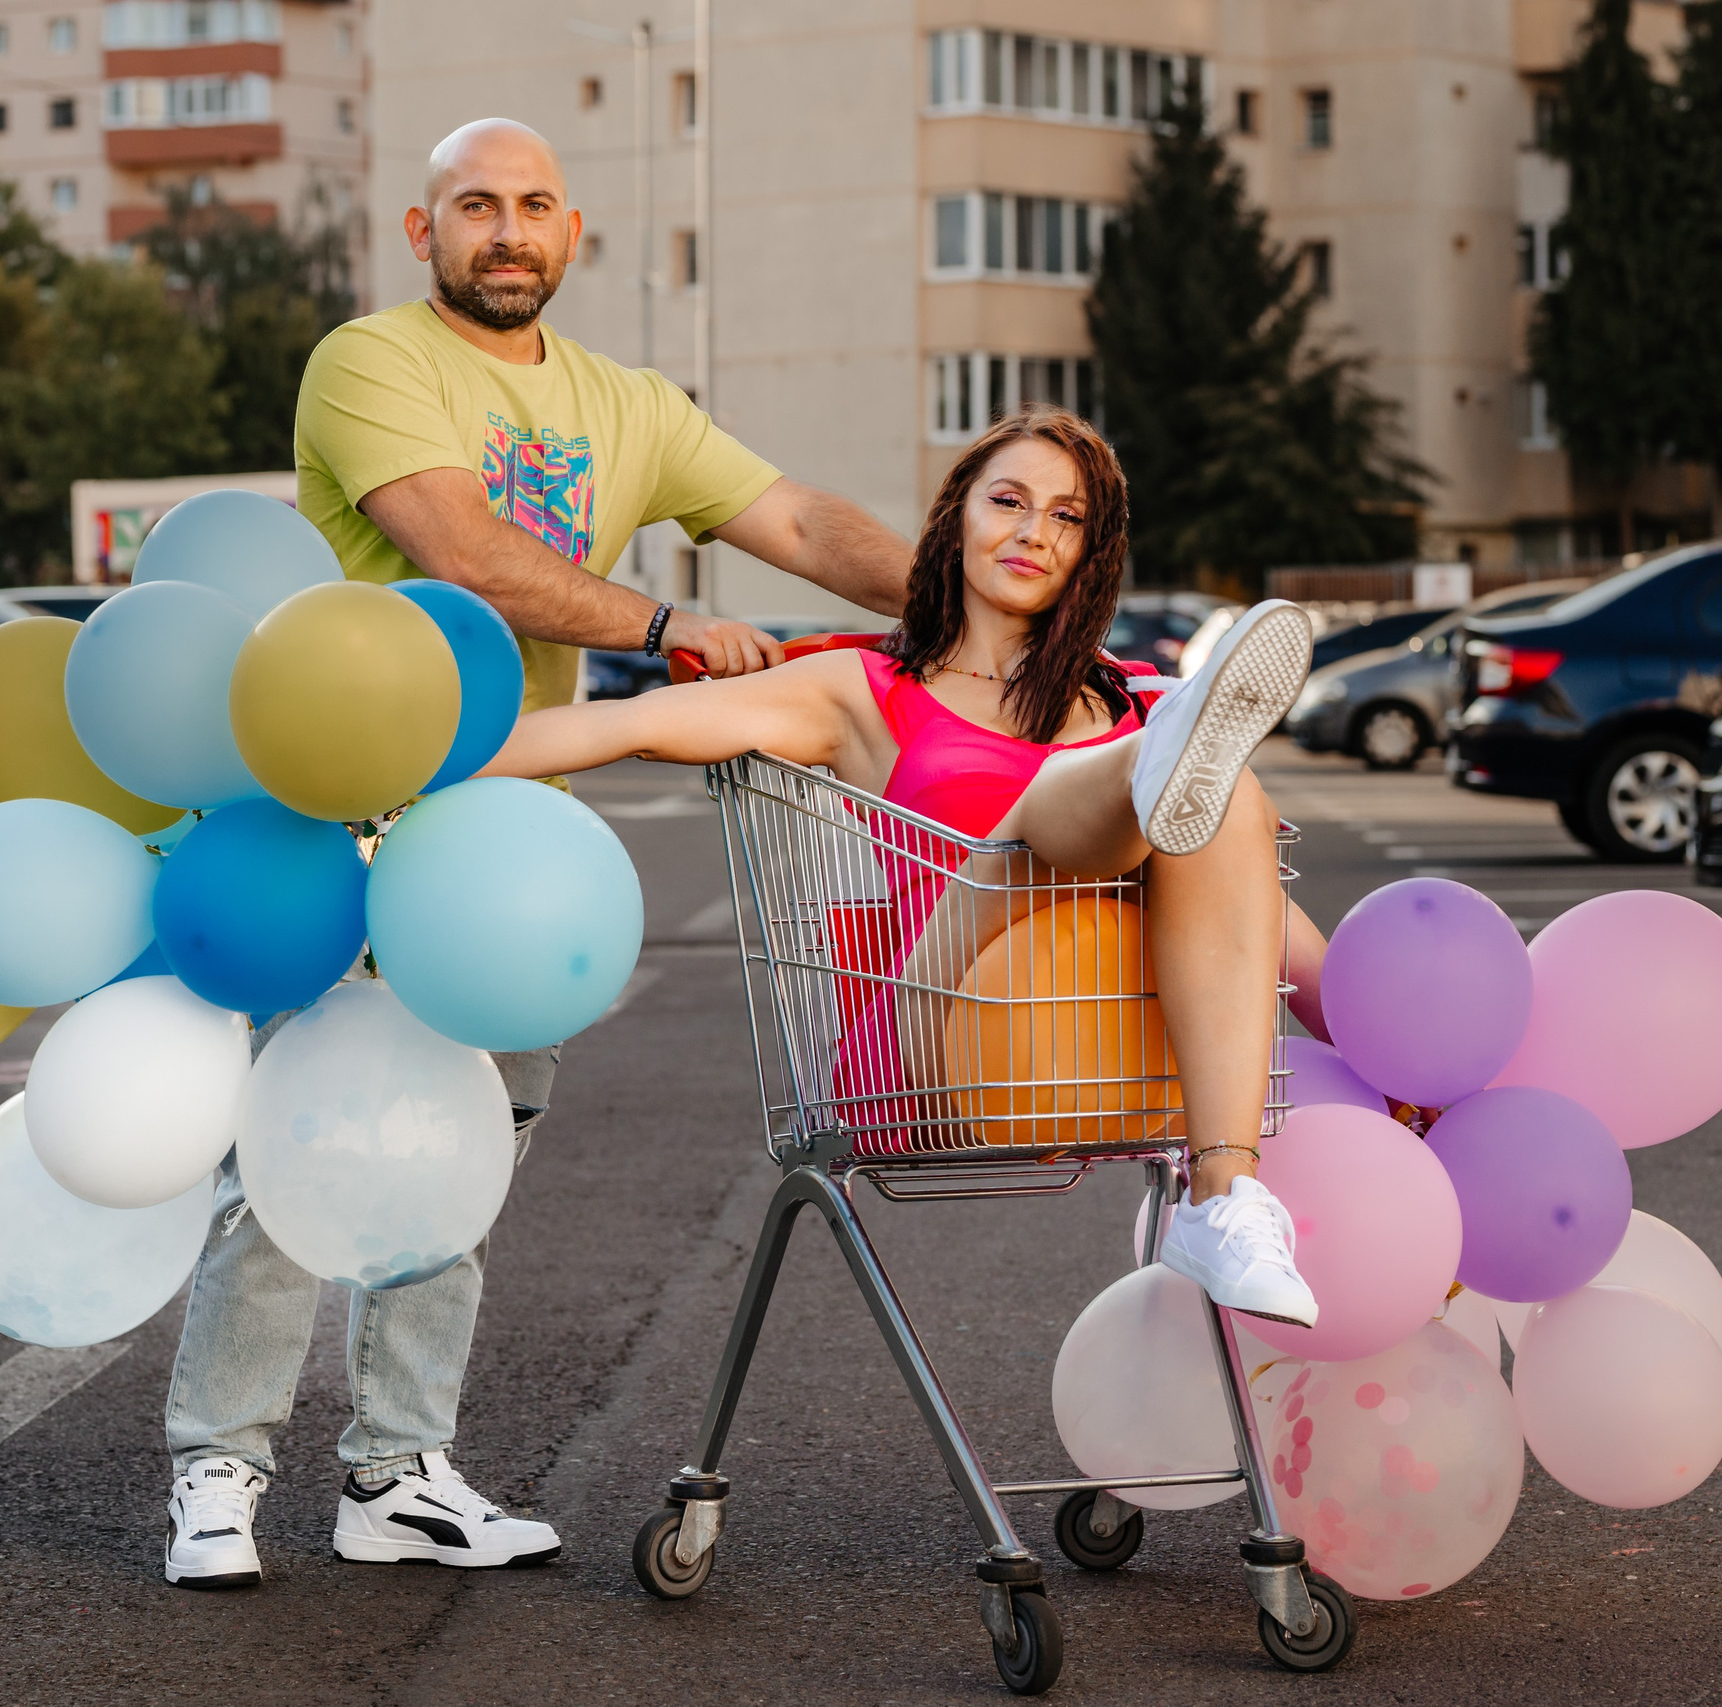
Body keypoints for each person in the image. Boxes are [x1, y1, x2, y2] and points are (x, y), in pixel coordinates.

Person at [160, 116, 915, 1590]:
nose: (506, 231)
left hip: (501, 829)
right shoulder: (370, 361)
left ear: (574, 235)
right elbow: (462, 549)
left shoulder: (629, 401)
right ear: (421, 230)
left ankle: (396, 1473)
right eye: (475, 207)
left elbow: (803, 520)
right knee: (289, 1147)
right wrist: (663, 624)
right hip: (341, 807)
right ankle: (217, 1465)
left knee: (462, 1148)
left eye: (533, 207)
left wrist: (985, 592)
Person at [480, 407, 1329, 1328]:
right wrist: (416, 759)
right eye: (1008, 500)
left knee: (1229, 801)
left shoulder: (1117, 697)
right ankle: (1133, 779)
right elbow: (624, 724)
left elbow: (1270, 935)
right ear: (956, 514)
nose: (1032, 531)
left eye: (1066, 517)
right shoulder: (866, 690)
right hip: (937, 1036)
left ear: (1092, 551)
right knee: (1051, 818)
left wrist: (1406, 1073)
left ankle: (1223, 1198)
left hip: (1105, 1049)